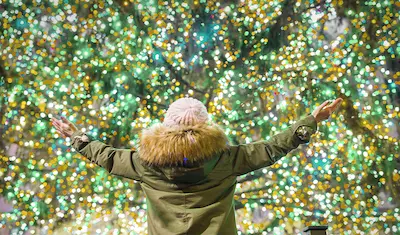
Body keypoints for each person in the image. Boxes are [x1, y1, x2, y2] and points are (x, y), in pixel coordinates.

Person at [51, 97, 343, 235]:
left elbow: (107, 156)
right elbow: (271, 148)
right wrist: (310, 122)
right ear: (207, 127)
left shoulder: (144, 163)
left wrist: (76, 136)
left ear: (166, 126)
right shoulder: (227, 159)